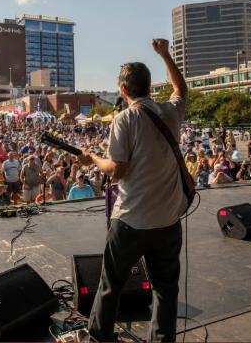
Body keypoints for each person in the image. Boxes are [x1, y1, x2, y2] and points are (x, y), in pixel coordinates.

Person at [78, 38, 187, 342]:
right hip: (168, 220)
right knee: (165, 288)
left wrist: (93, 159)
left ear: (123, 90)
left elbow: (118, 170)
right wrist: (165, 54)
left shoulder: (125, 119)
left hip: (131, 220)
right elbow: (182, 89)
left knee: (111, 283)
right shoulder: (170, 111)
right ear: (149, 87)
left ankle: (100, 336)